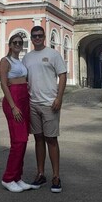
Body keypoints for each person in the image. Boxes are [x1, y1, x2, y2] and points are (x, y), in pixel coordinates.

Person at [22, 26, 67, 193]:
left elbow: (62, 74)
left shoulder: (53, 54)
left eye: (40, 35)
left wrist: (59, 98)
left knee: (52, 140)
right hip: (33, 103)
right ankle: (40, 173)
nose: (37, 38)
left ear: (44, 37)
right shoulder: (27, 58)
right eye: (34, 36)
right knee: (38, 139)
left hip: (50, 104)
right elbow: (23, 78)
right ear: (31, 38)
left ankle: (56, 176)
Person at [0, 34, 32, 193]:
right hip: (14, 100)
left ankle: (17, 177)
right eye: (15, 42)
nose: (18, 44)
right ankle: (8, 178)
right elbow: (4, 84)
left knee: (24, 140)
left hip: (24, 100)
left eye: (20, 42)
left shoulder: (20, 61)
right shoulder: (5, 61)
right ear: (10, 45)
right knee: (18, 141)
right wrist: (13, 106)